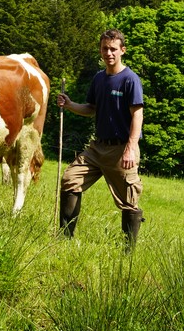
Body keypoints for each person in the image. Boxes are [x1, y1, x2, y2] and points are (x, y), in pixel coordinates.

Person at [57, 28, 145, 248]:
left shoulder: (130, 79)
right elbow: (90, 108)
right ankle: (65, 239)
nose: (109, 53)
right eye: (105, 48)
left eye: (113, 49)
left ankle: (128, 252)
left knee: (129, 201)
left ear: (122, 50)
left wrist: (131, 148)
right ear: (100, 50)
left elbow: (137, 114)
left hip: (121, 149)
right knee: (70, 179)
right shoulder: (99, 79)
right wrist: (69, 105)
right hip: (97, 148)